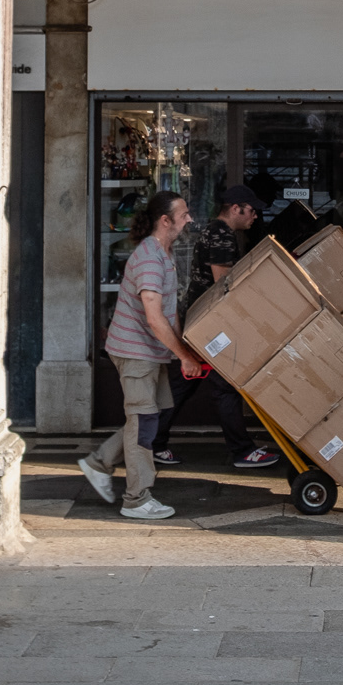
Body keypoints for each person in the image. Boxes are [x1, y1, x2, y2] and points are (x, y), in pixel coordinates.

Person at [79, 189, 204, 520]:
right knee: (145, 423)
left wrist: (183, 350)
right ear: (166, 221)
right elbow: (154, 316)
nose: (189, 218)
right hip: (135, 353)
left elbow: (169, 311)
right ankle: (136, 499)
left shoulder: (165, 253)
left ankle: (99, 462)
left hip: (151, 352)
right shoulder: (150, 259)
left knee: (151, 416)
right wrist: (185, 356)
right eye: (184, 214)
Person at [153, 184, 280, 471]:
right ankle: (242, 451)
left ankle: (152, 441)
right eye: (251, 210)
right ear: (236, 208)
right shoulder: (221, 235)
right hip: (210, 325)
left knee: (186, 380)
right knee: (224, 386)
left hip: (202, 321)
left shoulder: (216, 231)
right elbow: (225, 285)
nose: (255, 216)